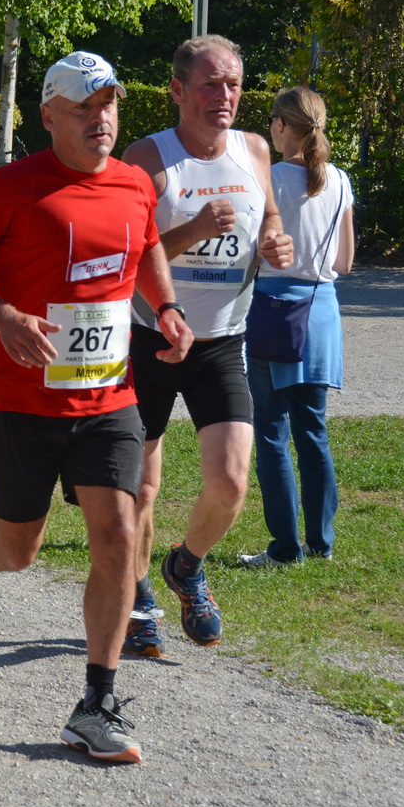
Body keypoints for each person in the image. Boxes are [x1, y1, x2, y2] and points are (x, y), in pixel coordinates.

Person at [0, 52, 195, 764]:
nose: (100, 117)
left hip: (109, 396)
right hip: (20, 398)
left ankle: (95, 701)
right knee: (19, 548)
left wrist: (164, 307)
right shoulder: (12, 187)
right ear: (48, 114)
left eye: (108, 104)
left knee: (119, 529)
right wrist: (3, 316)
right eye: (83, 105)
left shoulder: (136, 185)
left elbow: (143, 253)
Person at [122, 35, 294, 655]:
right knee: (140, 487)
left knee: (230, 481)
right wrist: (193, 229)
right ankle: (140, 597)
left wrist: (275, 242)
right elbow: (128, 258)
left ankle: (187, 567)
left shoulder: (253, 150)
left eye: (235, 85)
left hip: (222, 341)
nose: (225, 97)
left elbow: (269, 216)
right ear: (177, 89)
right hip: (149, 337)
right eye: (211, 84)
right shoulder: (147, 158)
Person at [240, 87, 354, 568]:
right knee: (314, 430)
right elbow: (344, 262)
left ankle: (285, 549)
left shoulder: (265, 178)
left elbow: (247, 253)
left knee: (270, 430)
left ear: (282, 127)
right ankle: (320, 543)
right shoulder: (341, 180)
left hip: (274, 309)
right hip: (322, 308)